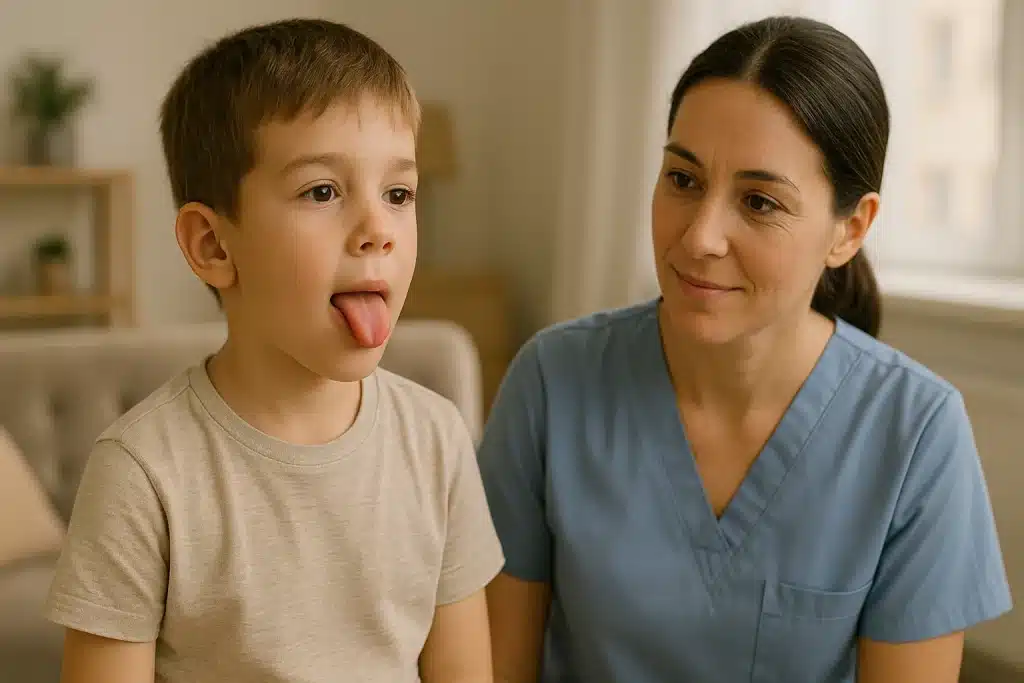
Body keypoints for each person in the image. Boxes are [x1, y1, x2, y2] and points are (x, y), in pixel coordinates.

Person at [480, 15, 1012, 683]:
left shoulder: (917, 436)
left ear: (850, 228)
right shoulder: (552, 383)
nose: (700, 235)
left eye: (759, 201)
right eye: (682, 179)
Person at [45, 18, 503, 683]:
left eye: (399, 193)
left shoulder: (438, 440)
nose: (379, 229)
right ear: (213, 246)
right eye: (323, 191)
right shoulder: (141, 472)